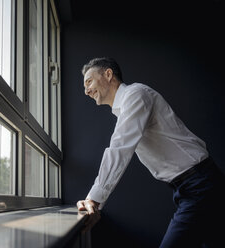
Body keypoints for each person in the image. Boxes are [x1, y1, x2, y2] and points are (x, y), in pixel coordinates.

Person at [76, 57, 225, 247]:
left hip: (200, 185)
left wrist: (94, 200)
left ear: (108, 74)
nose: (86, 90)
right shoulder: (125, 108)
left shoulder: (136, 95)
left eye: (89, 81)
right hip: (191, 187)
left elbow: (120, 148)